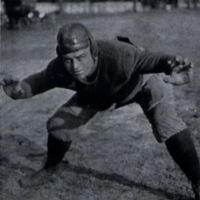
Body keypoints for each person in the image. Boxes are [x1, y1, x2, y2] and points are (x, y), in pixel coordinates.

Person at [0, 23, 199, 199]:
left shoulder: (120, 55)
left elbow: (152, 59)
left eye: (80, 57)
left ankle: (197, 180)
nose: (75, 66)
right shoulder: (60, 68)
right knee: (58, 127)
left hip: (143, 82)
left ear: (93, 50)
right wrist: (17, 91)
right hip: (102, 93)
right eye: (68, 59)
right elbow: (36, 83)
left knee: (167, 124)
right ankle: (49, 168)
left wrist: (172, 64)